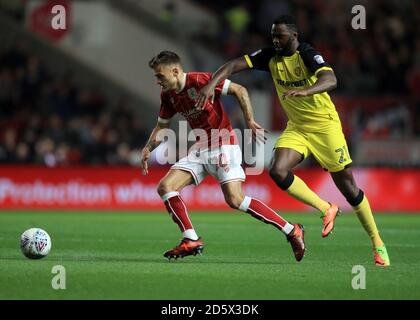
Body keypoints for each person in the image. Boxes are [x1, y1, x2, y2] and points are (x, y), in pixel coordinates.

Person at [197, 15, 390, 267]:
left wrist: (306, 90)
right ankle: (326, 208)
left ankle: (377, 243)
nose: (276, 41)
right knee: (277, 170)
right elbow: (233, 65)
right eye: (273, 36)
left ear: (294, 36)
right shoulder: (270, 57)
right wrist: (212, 83)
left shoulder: (308, 54)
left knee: (349, 188)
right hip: (298, 128)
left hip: (325, 127)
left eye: (281, 36)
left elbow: (331, 80)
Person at [141, 51, 305, 261]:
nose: (158, 81)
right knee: (165, 187)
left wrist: (249, 120)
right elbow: (161, 127)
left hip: (223, 145)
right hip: (200, 148)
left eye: (160, 76)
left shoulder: (200, 80)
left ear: (175, 71)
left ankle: (292, 230)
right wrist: (148, 148)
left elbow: (240, 89)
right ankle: (190, 238)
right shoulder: (168, 96)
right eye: (156, 77)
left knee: (236, 200)